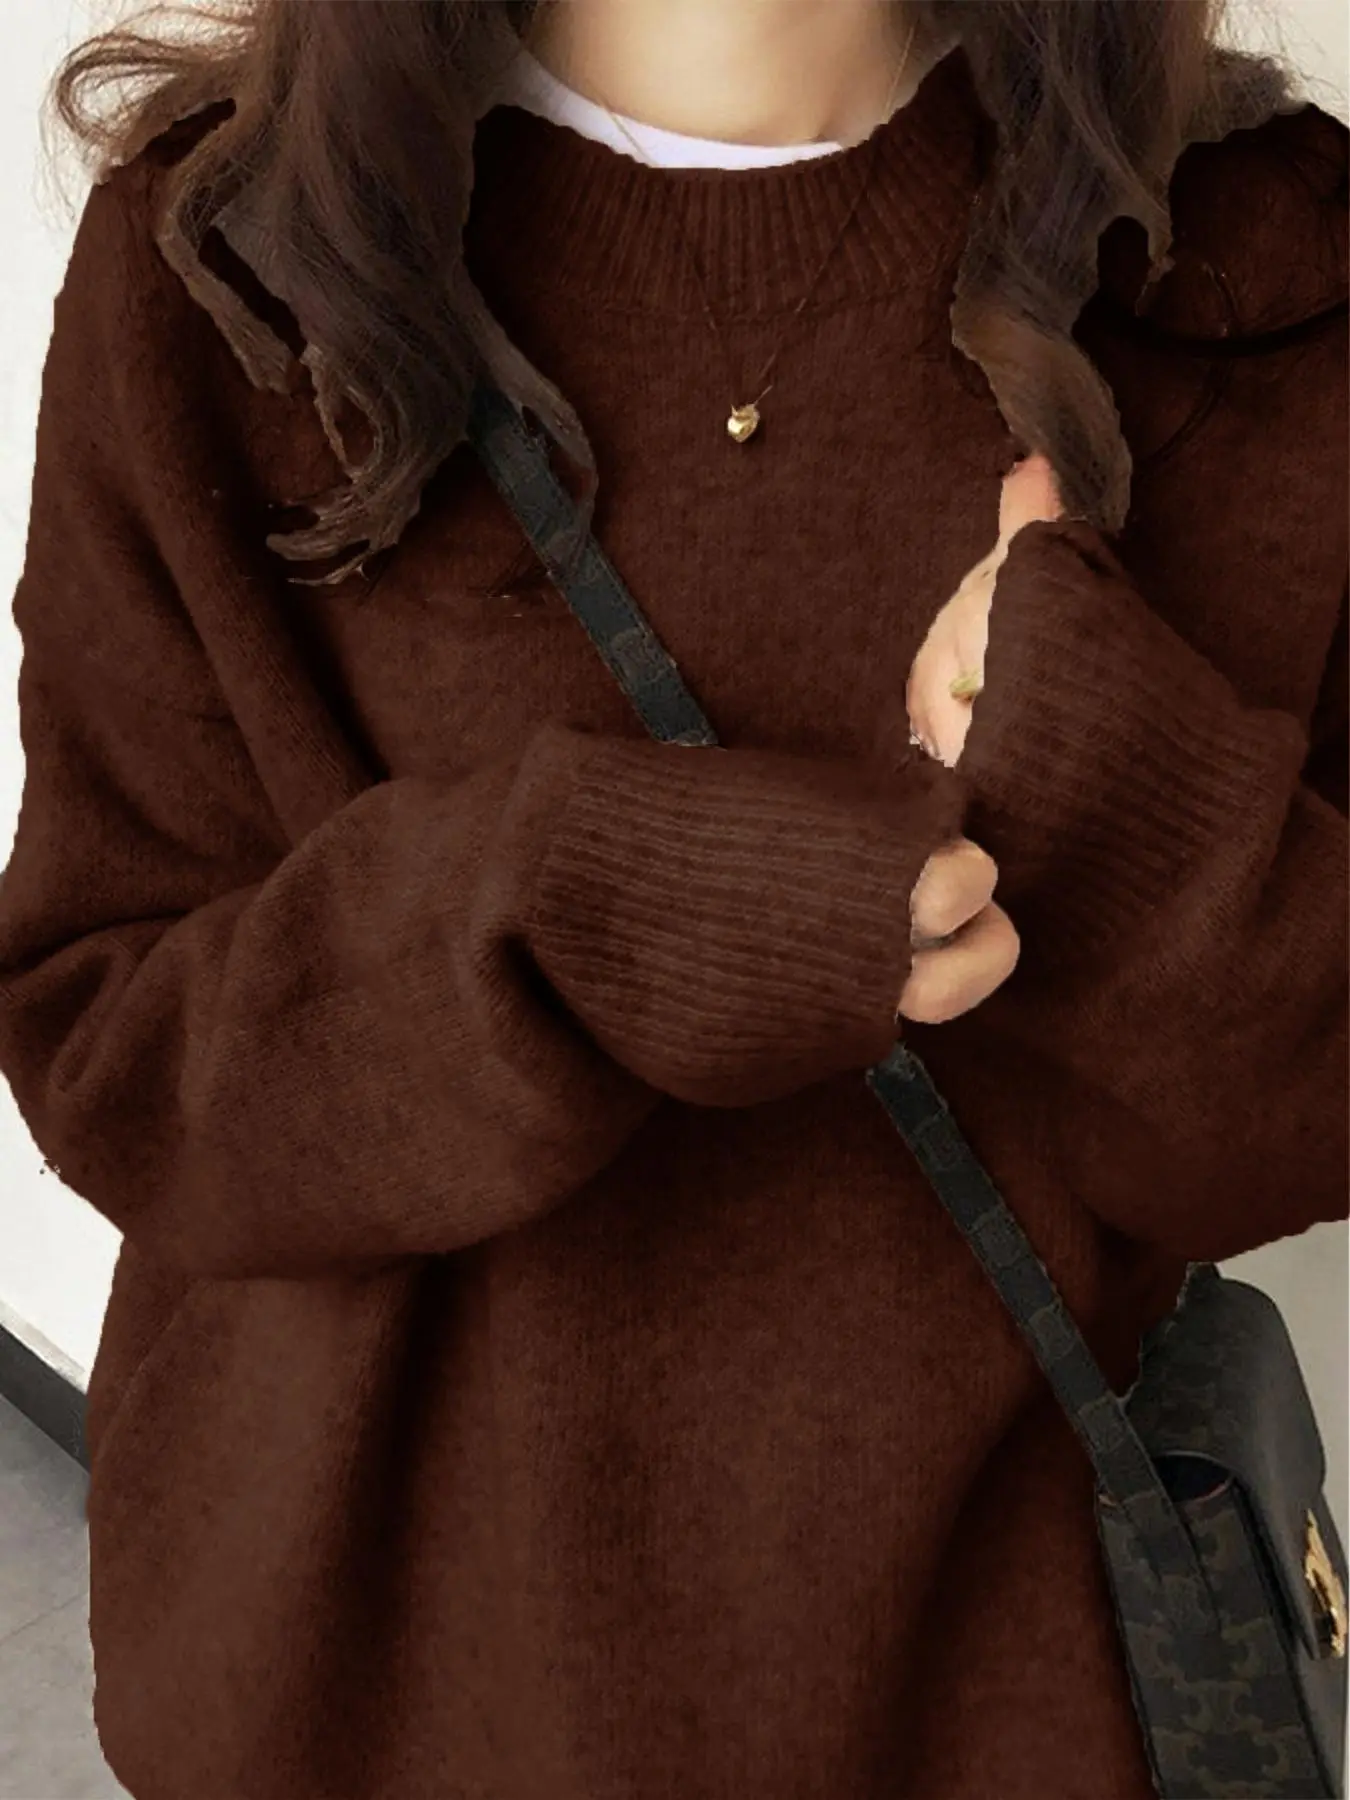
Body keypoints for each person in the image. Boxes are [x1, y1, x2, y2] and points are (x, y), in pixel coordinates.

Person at [1, 1, 1345, 1795]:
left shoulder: (1258, 254)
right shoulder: (227, 262)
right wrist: (572, 911)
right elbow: (114, 1046)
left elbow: (1307, 1114)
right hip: (368, 1703)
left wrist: (1103, 767)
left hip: (1012, 1709)